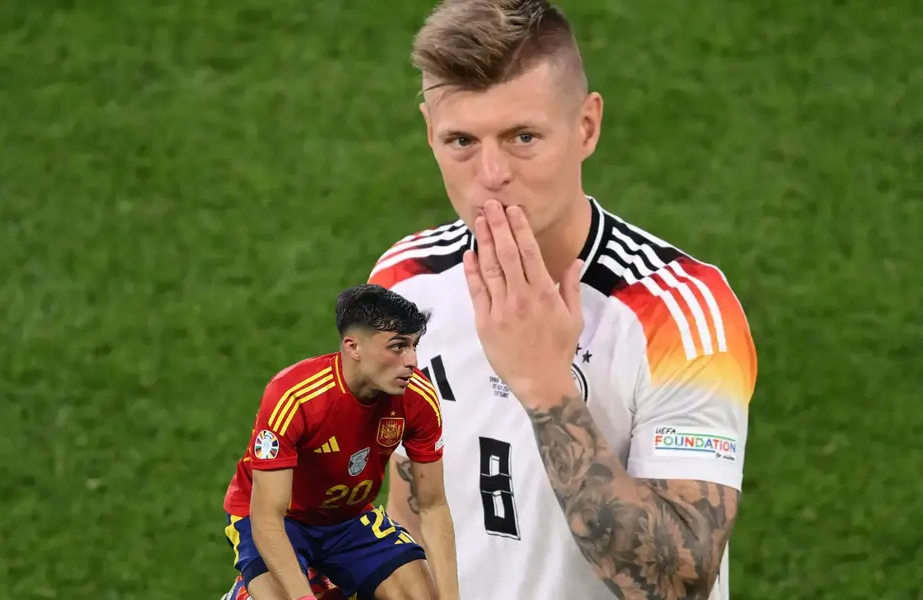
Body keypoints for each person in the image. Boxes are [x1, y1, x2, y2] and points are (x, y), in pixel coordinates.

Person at [367, 1, 758, 599]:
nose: (491, 173)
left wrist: (546, 388)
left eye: (523, 137)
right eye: (461, 140)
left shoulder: (679, 317)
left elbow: (679, 584)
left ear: (586, 127)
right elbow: (410, 506)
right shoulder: (404, 282)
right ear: (429, 132)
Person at [219, 284, 460, 600]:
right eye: (398, 346)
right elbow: (267, 517)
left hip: (349, 519)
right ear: (353, 347)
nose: (413, 360)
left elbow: (432, 505)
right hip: (278, 519)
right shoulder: (295, 397)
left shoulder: (419, 398)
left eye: (414, 346)